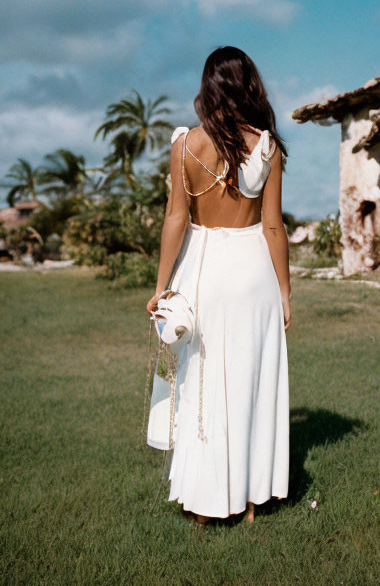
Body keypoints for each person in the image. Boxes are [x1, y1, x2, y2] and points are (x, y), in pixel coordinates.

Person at [146, 46, 291, 524]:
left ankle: (204, 504)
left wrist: (162, 285)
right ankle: (250, 501)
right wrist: (286, 293)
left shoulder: (185, 145)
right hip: (253, 274)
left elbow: (175, 218)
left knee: (203, 383)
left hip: (204, 272)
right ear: (249, 84)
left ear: (209, 86)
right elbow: (273, 227)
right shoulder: (267, 145)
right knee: (251, 381)